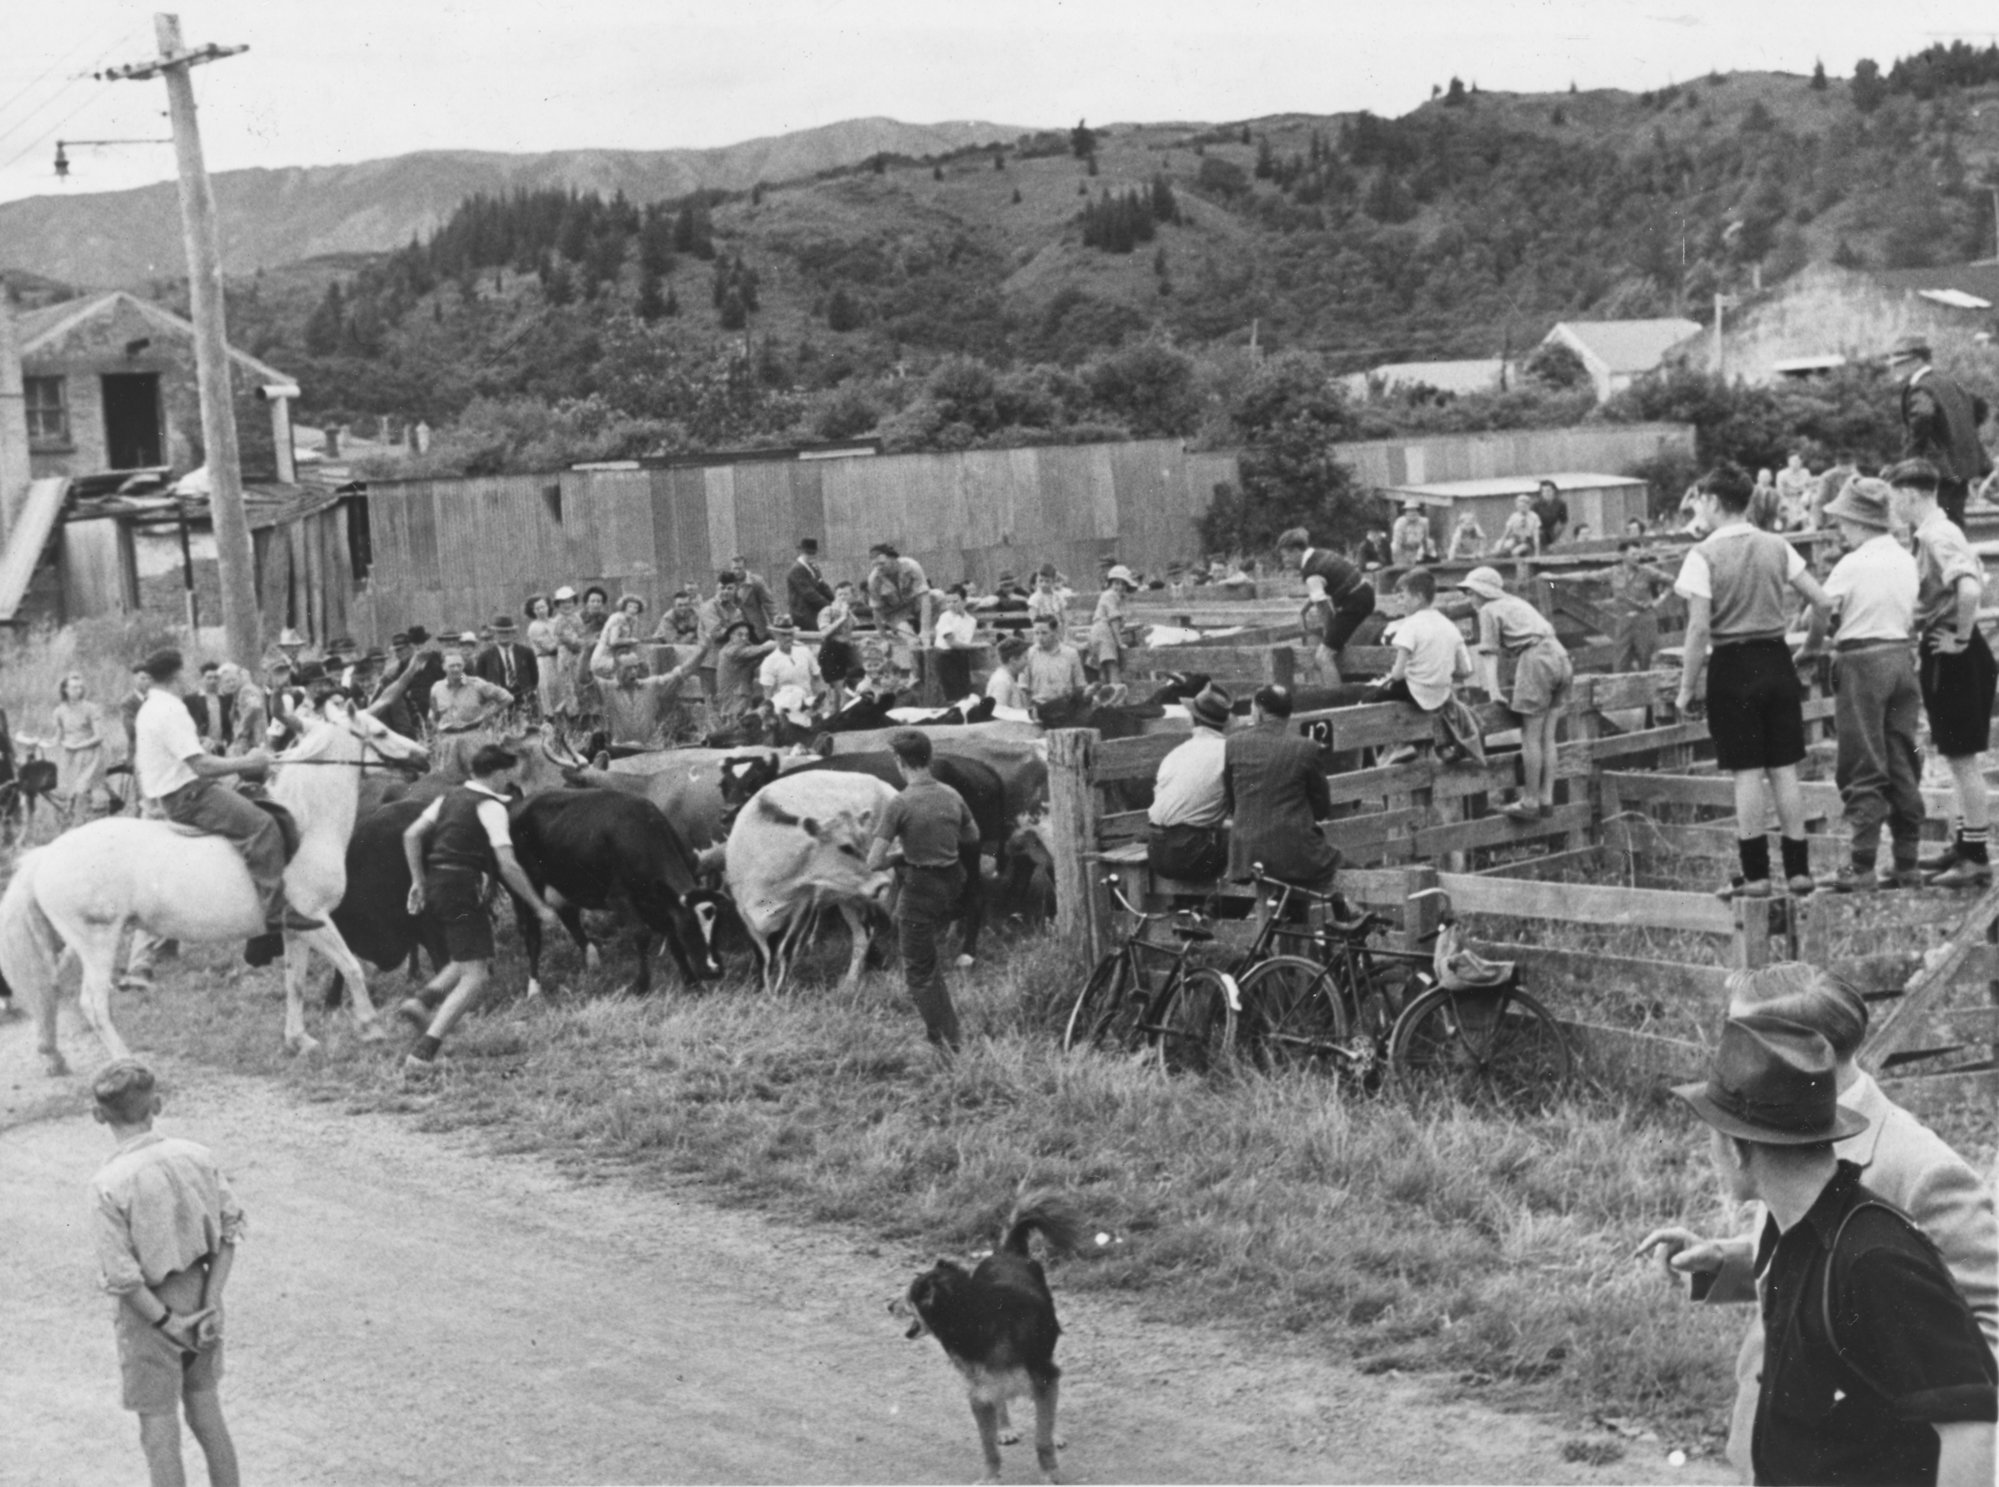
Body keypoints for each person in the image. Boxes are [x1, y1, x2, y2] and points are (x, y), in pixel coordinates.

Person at [1636, 962, 1999, 1479]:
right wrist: (1726, 1261)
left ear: (1808, 1047)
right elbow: (1823, 1266)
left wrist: (1889, 1431)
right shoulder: (1778, 1124)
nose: (1734, 1050)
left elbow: (1975, 1332)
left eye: (1748, 1035)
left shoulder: (1922, 1168)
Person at [1675, 463, 1831, 899]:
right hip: (1776, 659)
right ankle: (1799, 871)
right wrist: (1813, 647)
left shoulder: (1702, 555)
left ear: (1710, 502)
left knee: (1746, 773)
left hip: (1732, 666)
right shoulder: (1777, 544)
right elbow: (1821, 601)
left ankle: (1757, 875)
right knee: (1784, 769)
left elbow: (1699, 630)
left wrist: (1687, 688)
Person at [89, 1058, 245, 1487]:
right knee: (207, 1413)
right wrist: (212, 1300)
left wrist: (165, 1321)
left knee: (159, 1431)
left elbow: (122, 1276)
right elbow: (231, 1231)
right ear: (156, 1104)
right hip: (202, 1292)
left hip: (149, 1312)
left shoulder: (108, 1183)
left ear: (98, 1115)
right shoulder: (197, 1156)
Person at [399, 745, 563, 1074]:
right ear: (499, 773)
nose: (510, 781)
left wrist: (417, 880)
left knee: (468, 958)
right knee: (476, 976)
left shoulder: (449, 797)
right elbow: (507, 864)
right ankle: (422, 1055)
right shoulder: (490, 807)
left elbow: (412, 833)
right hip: (462, 886)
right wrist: (538, 905)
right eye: (509, 774)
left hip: (437, 883)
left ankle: (423, 1001)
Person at [133, 649, 312, 939]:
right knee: (262, 824)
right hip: (189, 794)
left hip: (175, 790)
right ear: (177, 674)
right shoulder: (170, 709)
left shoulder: (151, 707)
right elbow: (201, 766)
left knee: (255, 794)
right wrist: (249, 762)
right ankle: (276, 909)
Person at [1884, 460, 1997, 888]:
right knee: (1955, 755)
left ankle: (1977, 855)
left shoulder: (1936, 534)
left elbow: (1969, 587)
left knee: (1965, 760)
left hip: (1955, 652)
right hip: (1946, 648)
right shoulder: (1936, 531)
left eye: (1895, 496)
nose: (1893, 505)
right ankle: (1965, 843)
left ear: (1910, 495)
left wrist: (1961, 637)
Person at [1808, 478, 1923, 892]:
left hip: (1861, 660)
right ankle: (1907, 860)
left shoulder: (1853, 564)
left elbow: (1820, 608)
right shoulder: (1905, 558)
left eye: (1843, 522)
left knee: (1862, 759)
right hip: (1900, 656)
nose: (1841, 530)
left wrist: (1811, 644)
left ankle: (1861, 865)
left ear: (1857, 521)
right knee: (1901, 756)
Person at [865, 729, 979, 1053]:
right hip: (952, 881)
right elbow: (972, 836)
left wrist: (903, 853)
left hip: (920, 888)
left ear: (900, 762)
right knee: (926, 960)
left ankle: (944, 1041)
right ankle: (948, 1028)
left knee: (918, 970)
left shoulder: (900, 803)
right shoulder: (952, 794)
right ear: (929, 757)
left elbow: (874, 863)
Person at [1459, 566, 1572, 820]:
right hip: (1560, 656)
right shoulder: (1515, 602)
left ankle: (1529, 801)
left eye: (1471, 593)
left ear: (1482, 592)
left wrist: (1493, 689)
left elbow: (1488, 653)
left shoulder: (1488, 610)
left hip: (1536, 660)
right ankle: (1546, 798)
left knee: (1530, 736)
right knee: (1548, 737)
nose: (1470, 599)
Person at [1223, 684, 1339, 890]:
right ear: (1288, 714)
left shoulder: (1233, 744)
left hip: (1245, 854)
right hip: (1293, 852)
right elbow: (1322, 808)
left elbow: (1232, 801)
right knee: (1334, 862)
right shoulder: (1306, 748)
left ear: (1258, 711)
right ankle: (1348, 916)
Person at [1372, 568, 1478, 764]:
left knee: (1370, 699)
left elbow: (1397, 673)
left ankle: (1396, 747)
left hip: (1415, 691)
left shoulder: (1410, 625)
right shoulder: (1449, 625)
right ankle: (1421, 745)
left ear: (1418, 597)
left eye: (1402, 596)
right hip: (1441, 693)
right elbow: (1465, 670)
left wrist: (1386, 683)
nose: (1399, 601)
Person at [1890, 334, 1993, 530]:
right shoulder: (1950, 382)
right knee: (1953, 524)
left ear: (1918, 360)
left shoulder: (1921, 387)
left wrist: (1909, 463)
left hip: (1935, 470)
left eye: (1902, 363)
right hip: (1961, 466)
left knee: (1927, 526)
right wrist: (1960, 433)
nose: (1898, 368)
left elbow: (1922, 417)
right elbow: (1980, 407)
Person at [1146, 684, 1233, 882]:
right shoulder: (1228, 751)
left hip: (1156, 851)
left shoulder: (1175, 753)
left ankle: (1188, 909)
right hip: (1193, 856)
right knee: (1257, 850)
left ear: (1193, 720)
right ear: (1226, 723)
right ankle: (1223, 910)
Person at [1275, 527, 1376, 686]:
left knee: (1323, 657)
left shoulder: (1311, 572)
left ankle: (1337, 700)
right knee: (1334, 646)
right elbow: (1325, 587)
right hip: (1364, 593)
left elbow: (1324, 609)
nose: (1284, 561)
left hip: (1354, 603)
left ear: (1296, 551)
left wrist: (1328, 634)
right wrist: (1306, 607)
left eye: (1285, 556)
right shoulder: (1319, 554)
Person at [429, 647, 513, 781]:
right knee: (450, 780)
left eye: (459, 665)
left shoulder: (476, 684)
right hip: (448, 741)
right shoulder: (437, 688)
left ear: (464, 665)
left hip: (472, 737)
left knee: (478, 776)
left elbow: (507, 698)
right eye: (451, 666)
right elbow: (433, 714)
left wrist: (487, 715)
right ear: (443, 667)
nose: (456, 669)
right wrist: (439, 730)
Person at [601, 647, 701, 751]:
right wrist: (587, 652)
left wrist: (703, 649)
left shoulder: (650, 686)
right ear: (617, 669)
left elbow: (682, 673)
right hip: (620, 751)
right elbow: (584, 679)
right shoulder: (607, 688)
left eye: (635, 667)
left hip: (648, 751)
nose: (634, 672)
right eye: (628, 668)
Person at [1605, 540, 1676, 672]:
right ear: (1622, 555)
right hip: (1624, 622)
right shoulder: (1613, 572)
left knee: (1645, 661)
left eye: (1639, 554)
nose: (1637, 557)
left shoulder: (1646, 572)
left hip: (1644, 621)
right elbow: (1584, 576)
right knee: (1620, 664)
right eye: (1633, 554)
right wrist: (1554, 579)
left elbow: (1671, 581)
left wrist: (1659, 600)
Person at [52, 672, 109, 815]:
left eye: (80, 687)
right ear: (65, 689)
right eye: (73, 688)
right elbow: (58, 736)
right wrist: (41, 742)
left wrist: (79, 745)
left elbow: (99, 736)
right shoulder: (60, 711)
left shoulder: (91, 708)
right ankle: (72, 818)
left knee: (84, 789)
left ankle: (96, 815)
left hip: (90, 753)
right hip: (69, 755)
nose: (78, 691)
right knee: (67, 791)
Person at [867, 543, 931, 662]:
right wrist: (883, 638)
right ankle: (917, 673)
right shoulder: (874, 580)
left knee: (939, 596)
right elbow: (876, 612)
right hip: (895, 613)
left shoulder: (912, 566)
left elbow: (925, 597)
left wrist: (925, 630)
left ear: (893, 558)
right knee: (913, 641)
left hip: (914, 603)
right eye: (875, 565)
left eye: (882, 563)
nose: (879, 567)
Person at [1023, 613, 1089, 725]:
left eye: (1044, 633)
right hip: (1039, 709)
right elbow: (1023, 687)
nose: (1040, 637)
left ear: (1055, 632)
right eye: (1036, 633)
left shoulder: (1071, 654)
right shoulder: (1029, 654)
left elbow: (1080, 685)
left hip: (1064, 709)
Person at [712, 619, 776, 733]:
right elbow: (761, 650)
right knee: (738, 731)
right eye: (740, 635)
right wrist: (779, 642)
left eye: (747, 635)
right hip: (736, 699)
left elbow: (754, 660)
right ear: (731, 636)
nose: (744, 638)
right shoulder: (733, 651)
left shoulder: (729, 650)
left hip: (735, 698)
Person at [756, 615, 821, 714]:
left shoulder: (804, 651)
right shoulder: (769, 662)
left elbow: (816, 677)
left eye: (790, 634)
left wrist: (817, 702)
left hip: (808, 706)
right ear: (775, 635)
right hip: (784, 710)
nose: (788, 638)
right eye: (783, 635)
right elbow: (768, 694)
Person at [1087, 565, 1137, 692]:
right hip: (1103, 631)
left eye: (1123, 584)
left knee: (1104, 668)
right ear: (1110, 584)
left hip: (1101, 632)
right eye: (1116, 583)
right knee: (1112, 665)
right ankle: (1117, 694)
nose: (1119, 587)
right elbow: (1114, 620)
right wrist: (1120, 643)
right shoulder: (1110, 595)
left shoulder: (1118, 599)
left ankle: (1107, 696)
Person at [814, 580, 862, 713]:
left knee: (855, 684)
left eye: (846, 595)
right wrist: (841, 618)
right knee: (837, 691)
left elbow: (855, 627)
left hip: (846, 651)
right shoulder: (827, 611)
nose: (842, 598)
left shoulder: (849, 612)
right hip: (831, 651)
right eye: (839, 595)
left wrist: (847, 614)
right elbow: (823, 633)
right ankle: (835, 718)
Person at [475, 614, 538, 710]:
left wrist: (529, 693)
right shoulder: (485, 656)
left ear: (513, 633)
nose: (504, 635)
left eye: (508, 632)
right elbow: (479, 681)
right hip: (497, 699)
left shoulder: (526, 652)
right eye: (500, 632)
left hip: (523, 697)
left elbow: (534, 677)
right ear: (494, 634)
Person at [931, 585, 980, 701]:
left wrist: (969, 647)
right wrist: (976, 646)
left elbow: (964, 642)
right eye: (948, 602)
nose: (951, 605)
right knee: (951, 695)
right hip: (944, 658)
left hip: (962, 657)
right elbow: (951, 642)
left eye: (955, 601)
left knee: (965, 693)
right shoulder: (945, 617)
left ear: (964, 602)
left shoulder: (971, 621)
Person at [786, 537, 835, 630]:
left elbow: (823, 586)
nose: (811, 556)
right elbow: (809, 593)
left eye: (813, 554)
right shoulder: (796, 570)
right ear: (802, 552)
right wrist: (829, 605)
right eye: (808, 554)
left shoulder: (814, 567)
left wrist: (835, 600)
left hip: (815, 612)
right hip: (802, 614)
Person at [182, 664, 231, 752]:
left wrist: (226, 741)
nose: (212, 681)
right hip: (201, 747)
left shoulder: (227, 698)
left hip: (223, 747)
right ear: (201, 679)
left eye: (216, 678)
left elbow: (229, 724)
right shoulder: (191, 700)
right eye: (209, 678)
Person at [731, 554, 778, 641]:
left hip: (756, 630)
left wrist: (777, 626)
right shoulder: (729, 583)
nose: (737, 572)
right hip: (737, 631)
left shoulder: (756, 582)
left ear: (745, 568)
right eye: (734, 569)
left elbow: (769, 605)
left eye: (739, 568)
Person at [984, 636, 1032, 718]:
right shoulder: (1002, 681)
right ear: (1013, 660)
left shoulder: (1008, 678)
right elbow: (998, 713)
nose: (1027, 662)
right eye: (1025, 658)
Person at [1495, 493, 1542, 558]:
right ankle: (1503, 556)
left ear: (1528, 505)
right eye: (1519, 506)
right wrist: (1500, 546)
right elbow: (1506, 533)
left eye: (1524, 506)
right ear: (1517, 506)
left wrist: (1537, 553)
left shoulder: (1534, 517)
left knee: (1515, 552)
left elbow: (1536, 536)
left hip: (1527, 541)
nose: (1522, 508)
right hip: (1516, 539)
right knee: (1499, 545)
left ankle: (1519, 565)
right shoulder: (1514, 516)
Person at [1775, 454, 1814, 530]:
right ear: (1789, 462)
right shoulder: (1782, 474)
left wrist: (1806, 495)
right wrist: (1786, 501)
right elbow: (1780, 492)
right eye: (1794, 461)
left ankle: (1809, 527)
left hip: (1803, 500)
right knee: (1789, 513)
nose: (1796, 463)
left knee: (1808, 509)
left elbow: (1810, 487)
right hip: (1788, 499)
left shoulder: (1806, 472)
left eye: (1798, 461)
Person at [1390, 499, 1433, 567]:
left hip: (1417, 550)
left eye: (1414, 510)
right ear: (1405, 512)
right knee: (1394, 546)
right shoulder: (1400, 523)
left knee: (1430, 542)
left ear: (1418, 511)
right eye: (1409, 511)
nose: (1412, 513)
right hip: (1403, 551)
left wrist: (1425, 554)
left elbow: (1425, 540)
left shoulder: (1424, 522)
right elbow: (1397, 543)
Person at [1532, 479, 1569, 547]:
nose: (1546, 493)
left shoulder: (1560, 504)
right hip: (1537, 531)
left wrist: (1556, 536)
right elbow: (1531, 521)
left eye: (1548, 490)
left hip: (1551, 531)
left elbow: (1563, 522)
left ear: (1554, 491)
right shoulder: (1536, 505)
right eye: (1543, 491)